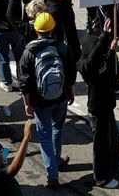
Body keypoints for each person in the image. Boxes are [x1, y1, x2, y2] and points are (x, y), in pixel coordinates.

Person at [18, 11, 76, 189]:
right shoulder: (62, 47)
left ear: (36, 30)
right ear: (52, 28)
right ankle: (56, 159)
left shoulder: (29, 51)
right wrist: (70, 92)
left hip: (40, 101)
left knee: (44, 136)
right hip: (60, 97)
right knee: (58, 128)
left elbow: (24, 82)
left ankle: (52, 175)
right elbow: (71, 73)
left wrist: (27, 104)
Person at [79, 15, 119, 188]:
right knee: (101, 145)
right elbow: (93, 61)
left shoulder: (98, 58)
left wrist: (111, 51)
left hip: (107, 105)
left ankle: (116, 163)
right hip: (98, 108)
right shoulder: (87, 66)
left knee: (113, 136)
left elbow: (108, 70)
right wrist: (104, 36)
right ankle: (101, 178)